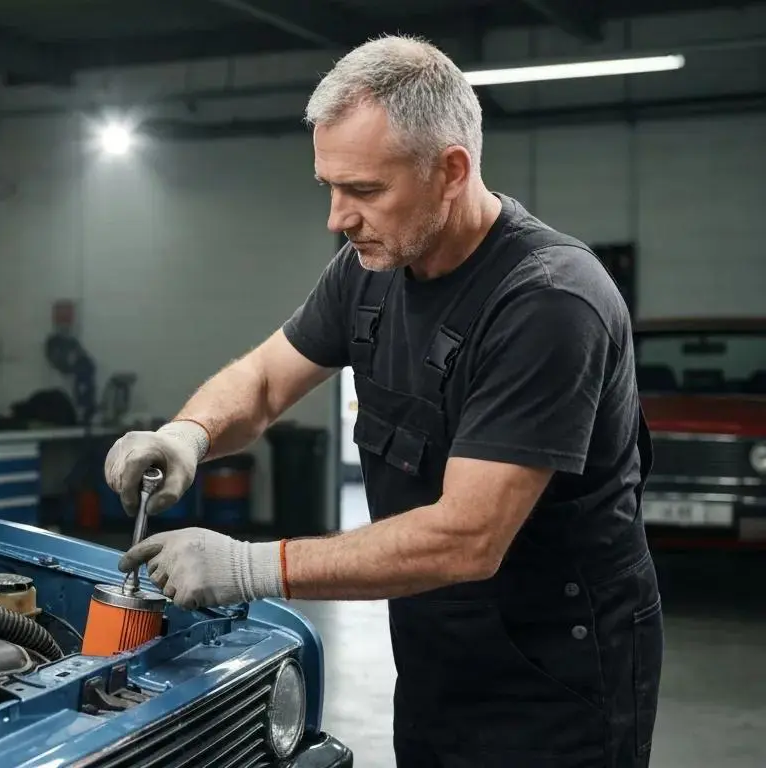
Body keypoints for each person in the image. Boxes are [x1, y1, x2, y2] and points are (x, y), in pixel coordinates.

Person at [104, 35, 662, 767]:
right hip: (437, 656)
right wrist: (189, 432)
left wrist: (250, 568)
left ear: (451, 171)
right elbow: (268, 380)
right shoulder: (369, 269)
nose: (338, 217)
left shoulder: (549, 303)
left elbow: (468, 536)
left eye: (365, 191)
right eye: (330, 187)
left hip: (558, 681)